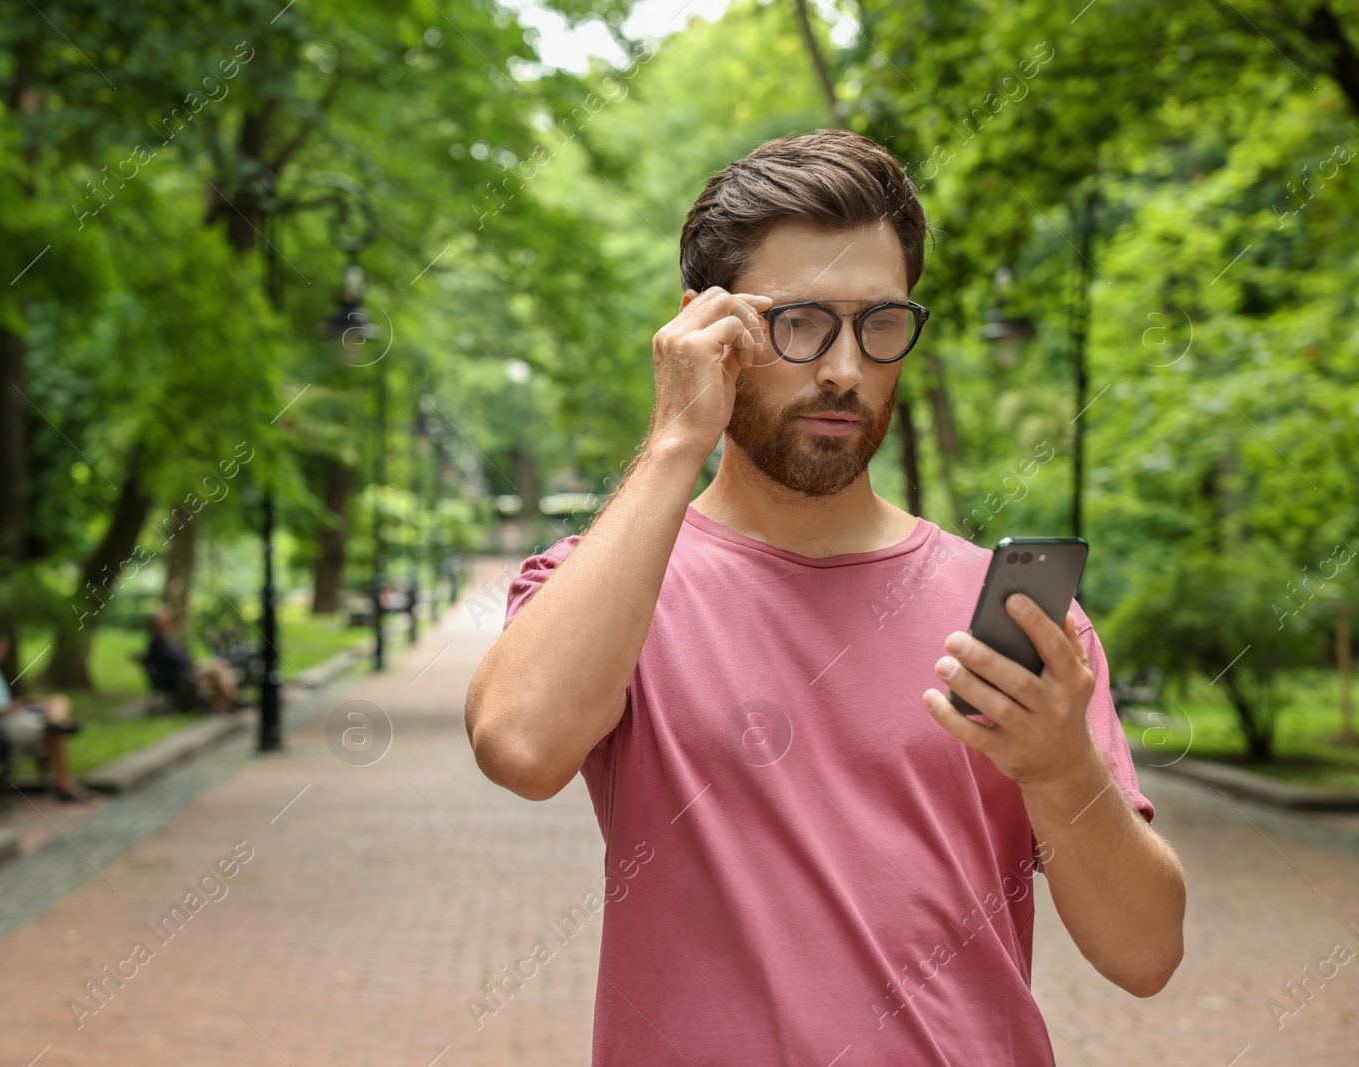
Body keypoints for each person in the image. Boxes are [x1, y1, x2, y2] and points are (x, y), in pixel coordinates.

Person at [465, 129, 1186, 1064]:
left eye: (879, 323)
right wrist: (676, 440)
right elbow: (519, 745)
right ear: (706, 330)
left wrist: (1059, 770)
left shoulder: (1004, 616)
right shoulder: (615, 581)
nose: (845, 366)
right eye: (799, 321)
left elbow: (1146, 952)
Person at [0, 626, 90, 802]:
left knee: (58, 700)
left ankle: (56, 722)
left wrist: (20, 704)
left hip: (9, 717)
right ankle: (65, 784)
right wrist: (9, 708)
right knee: (52, 732)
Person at [147, 607, 238, 713]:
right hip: (183, 673)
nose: (169, 624)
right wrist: (190, 663)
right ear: (157, 624)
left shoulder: (164, 639)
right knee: (217, 668)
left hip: (187, 668)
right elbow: (175, 661)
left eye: (169, 621)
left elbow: (178, 658)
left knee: (220, 663)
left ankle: (229, 702)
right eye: (166, 621)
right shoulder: (157, 642)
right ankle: (233, 700)